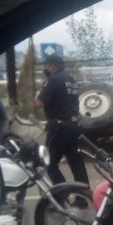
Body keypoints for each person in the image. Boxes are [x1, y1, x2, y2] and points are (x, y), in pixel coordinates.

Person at [34, 54, 89, 186]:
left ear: (53, 65)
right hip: (73, 126)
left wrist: (34, 95)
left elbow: (39, 104)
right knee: (76, 163)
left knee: (49, 163)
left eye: (47, 65)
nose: (46, 68)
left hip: (59, 128)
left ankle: (62, 195)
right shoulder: (72, 80)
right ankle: (83, 195)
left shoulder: (53, 80)